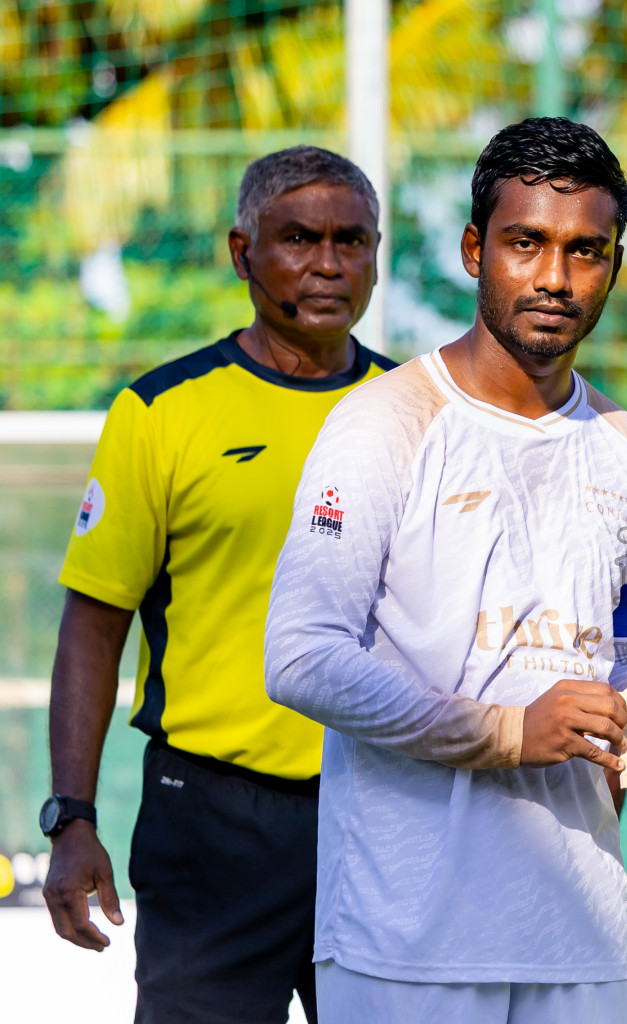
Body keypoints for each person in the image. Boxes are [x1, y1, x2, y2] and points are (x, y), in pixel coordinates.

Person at [263, 117, 627, 1024]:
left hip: (580, 933)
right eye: (525, 243)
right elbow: (300, 655)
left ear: (615, 263)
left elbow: (618, 658)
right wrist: (505, 731)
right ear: (473, 249)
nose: (555, 278)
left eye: (586, 251)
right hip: (404, 939)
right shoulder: (383, 423)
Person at [41, 146, 393, 1022]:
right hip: (211, 818)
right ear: (243, 253)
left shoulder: (416, 409)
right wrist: (72, 817)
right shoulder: (164, 412)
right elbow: (94, 623)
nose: (327, 264)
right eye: (299, 239)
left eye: (352, 241)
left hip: (388, 812)